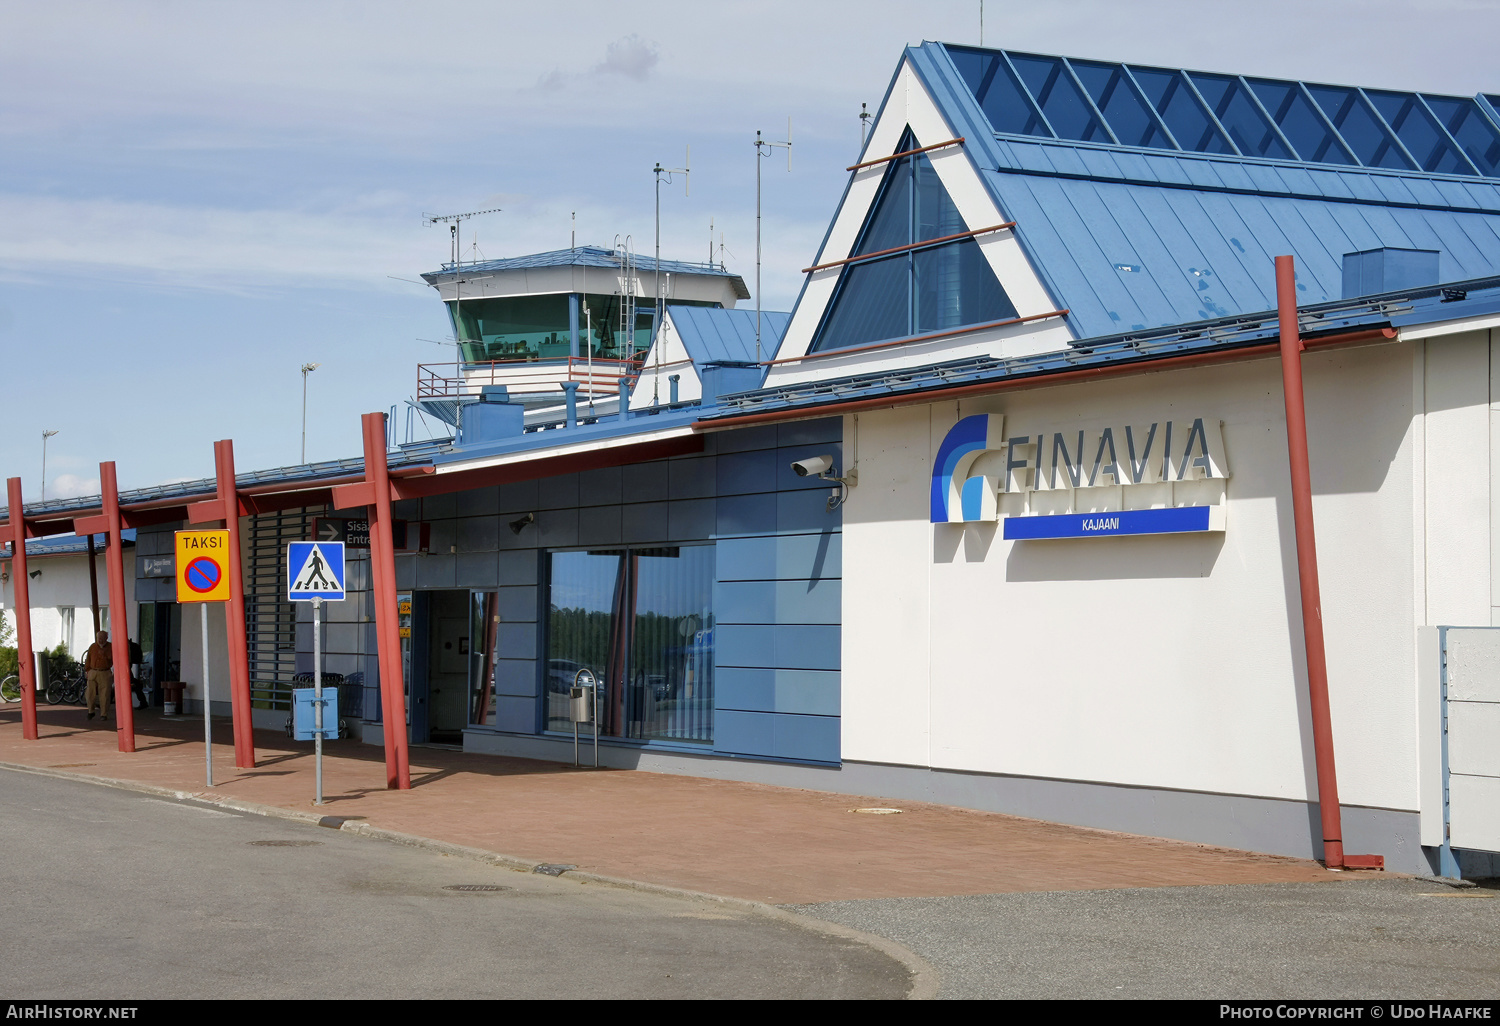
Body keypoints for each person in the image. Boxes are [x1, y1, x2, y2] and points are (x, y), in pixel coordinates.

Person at [83, 630, 113, 722]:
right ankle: (91, 711)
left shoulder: (110, 647)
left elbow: (112, 659)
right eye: (99, 638)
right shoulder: (92, 646)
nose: (100, 640)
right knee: (89, 693)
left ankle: (103, 714)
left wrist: (103, 654)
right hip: (93, 671)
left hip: (105, 672)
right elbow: (88, 659)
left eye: (102, 638)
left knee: (104, 694)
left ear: (106, 638)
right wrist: (87, 670)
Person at [128, 637, 148, 710]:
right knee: (133, 683)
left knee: (133, 683)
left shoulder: (130, 646)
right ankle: (143, 701)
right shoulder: (133, 646)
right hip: (128, 666)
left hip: (126, 667)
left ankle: (143, 702)